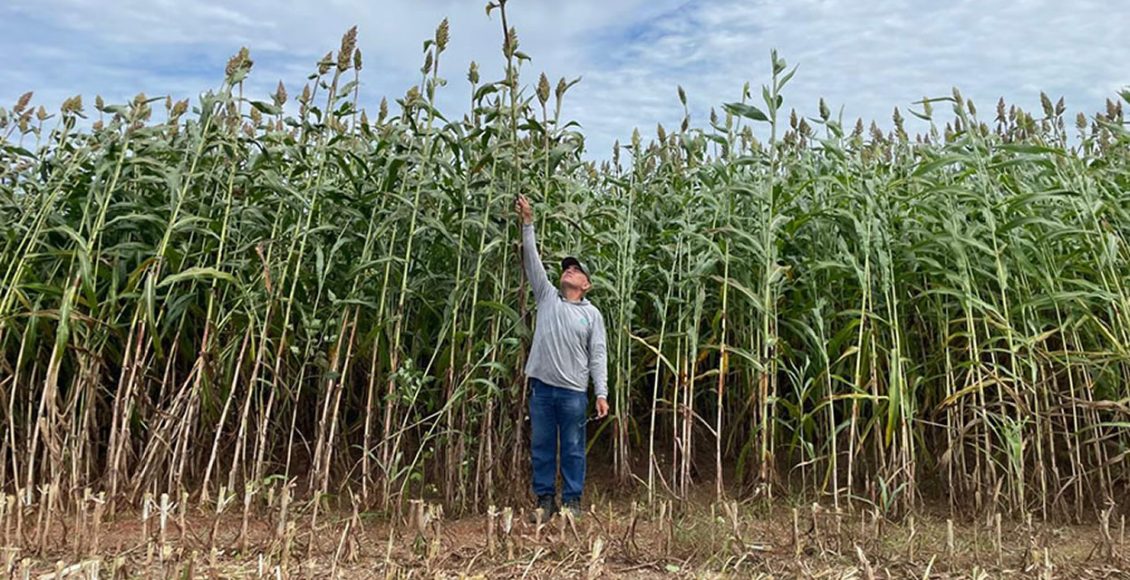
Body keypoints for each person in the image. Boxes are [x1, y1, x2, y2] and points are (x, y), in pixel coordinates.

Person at [515, 194, 609, 522]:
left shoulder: (591, 315)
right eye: (567, 267)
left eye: (576, 269)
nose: (569, 270)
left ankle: (571, 502)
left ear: (587, 284)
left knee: (571, 449)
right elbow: (532, 260)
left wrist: (601, 393)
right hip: (542, 389)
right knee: (541, 447)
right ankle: (544, 501)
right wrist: (528, 222)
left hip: (572, 394)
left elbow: (598, 355)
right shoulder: (547, 298)